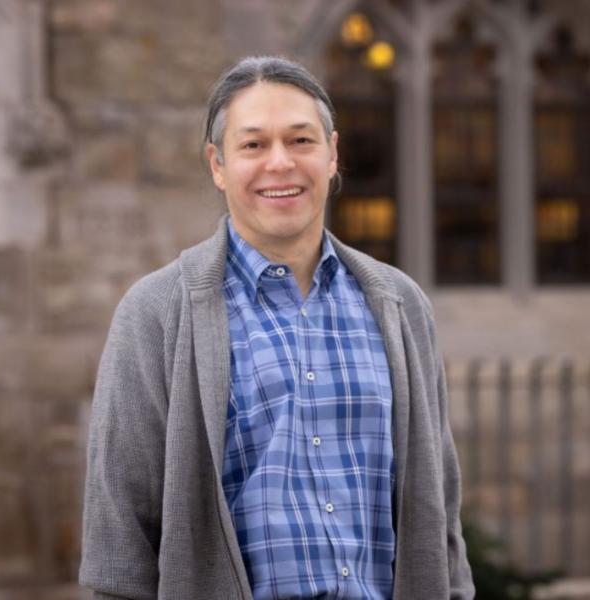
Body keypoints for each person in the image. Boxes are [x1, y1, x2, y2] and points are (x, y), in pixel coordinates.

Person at [80, 56, 474, 600]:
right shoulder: (155, 313)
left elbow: (441, 511)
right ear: (217, 164)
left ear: (333, 153)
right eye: (253, 145)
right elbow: (119, 536)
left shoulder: (400, 304)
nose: (280, 163)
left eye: (301, 141)